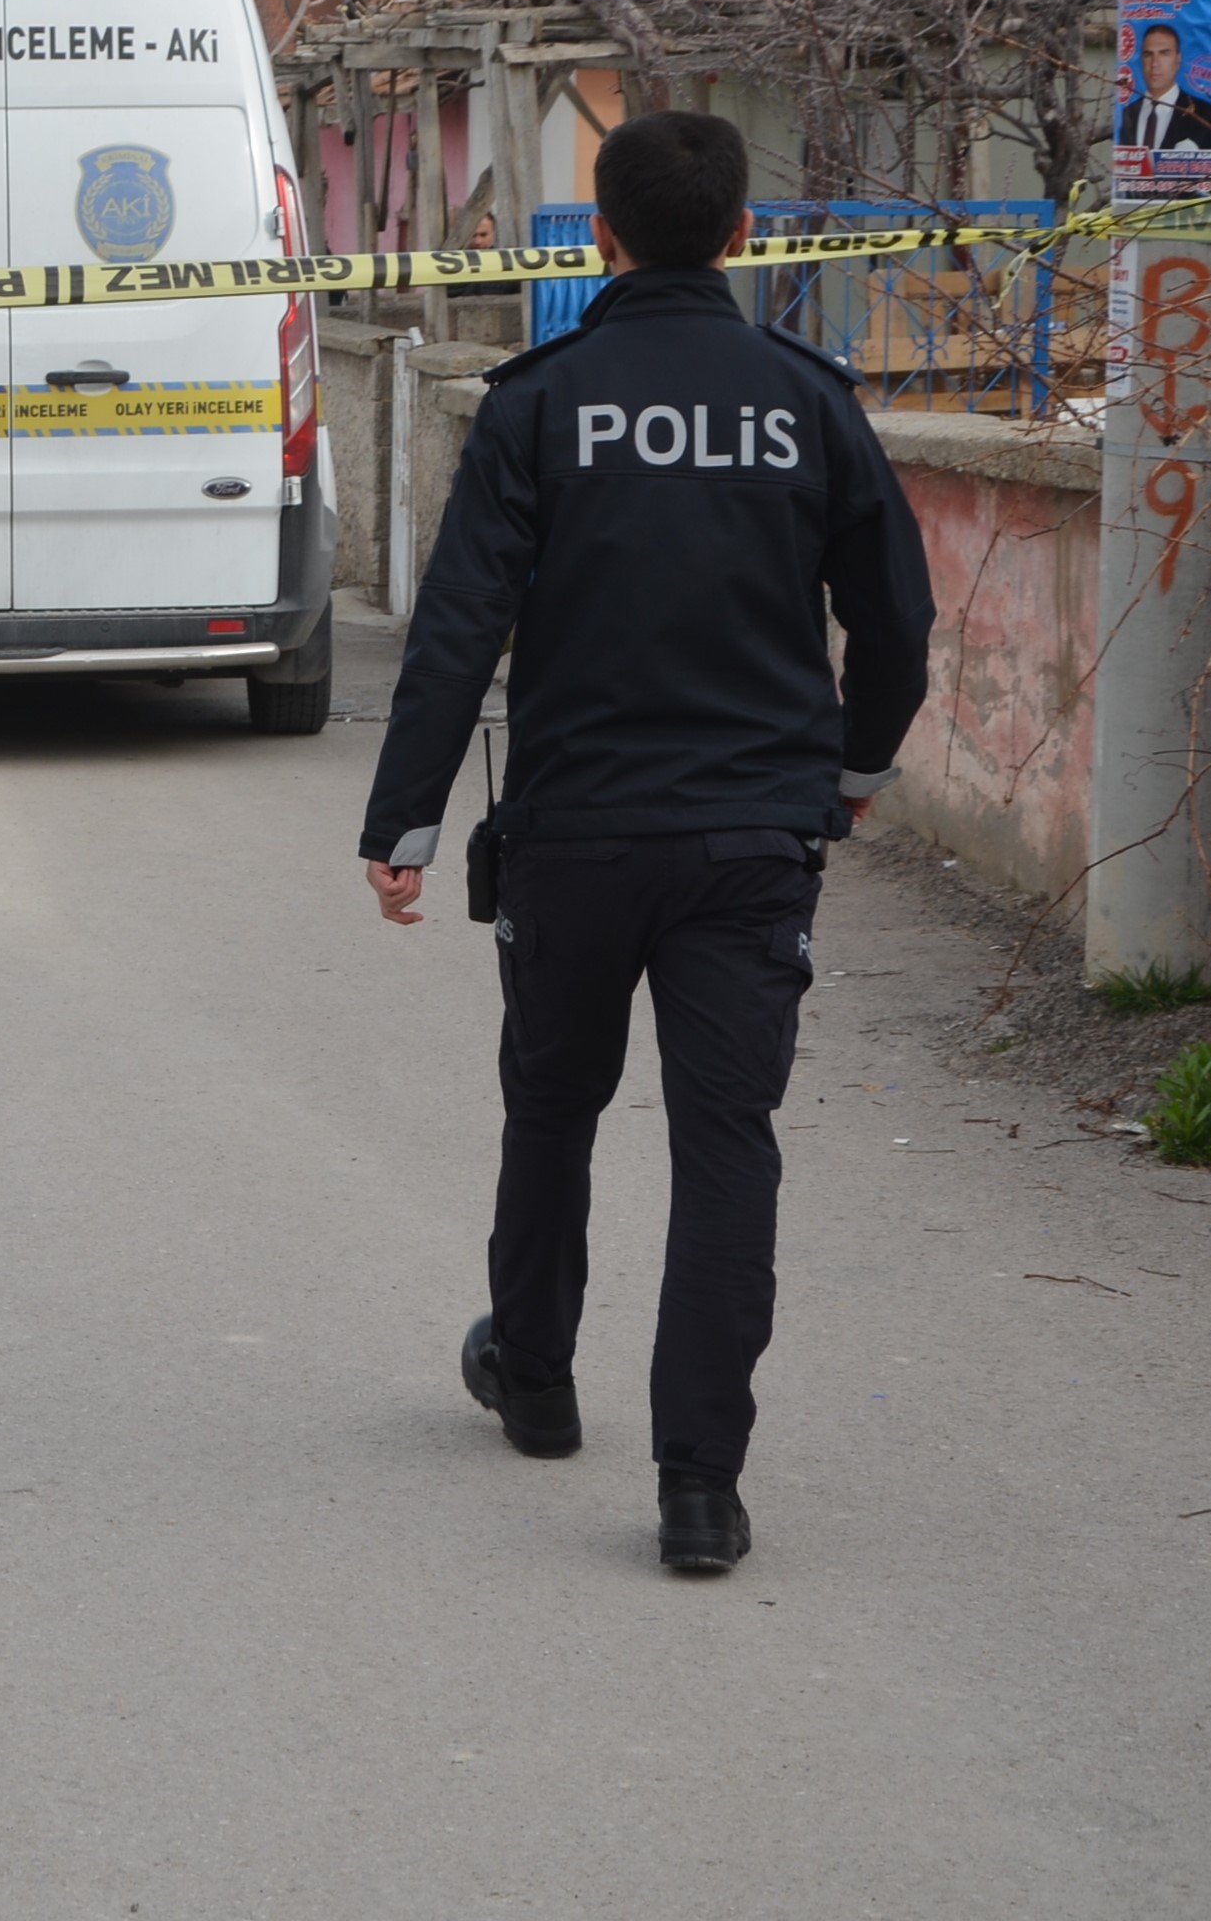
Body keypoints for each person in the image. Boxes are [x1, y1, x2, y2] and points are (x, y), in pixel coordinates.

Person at [356, 112, 934, 1576]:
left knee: (552, 1102)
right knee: (725, 1142)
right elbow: (899, 621)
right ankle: (699, 1488)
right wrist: (854, 768)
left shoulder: (540, 402)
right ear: (742, 235)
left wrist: (405, 820)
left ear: (599, 234)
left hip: (578, 833)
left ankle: (535, 1377)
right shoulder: (807, 399)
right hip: (753, 838)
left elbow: (457, 628)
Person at [1116, 21, 1211, 155]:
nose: (1155, 63)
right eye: (1148, 55)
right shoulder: (1128, 114)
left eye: (1164, 53)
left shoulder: (1207, 116)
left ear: (1178, 59)